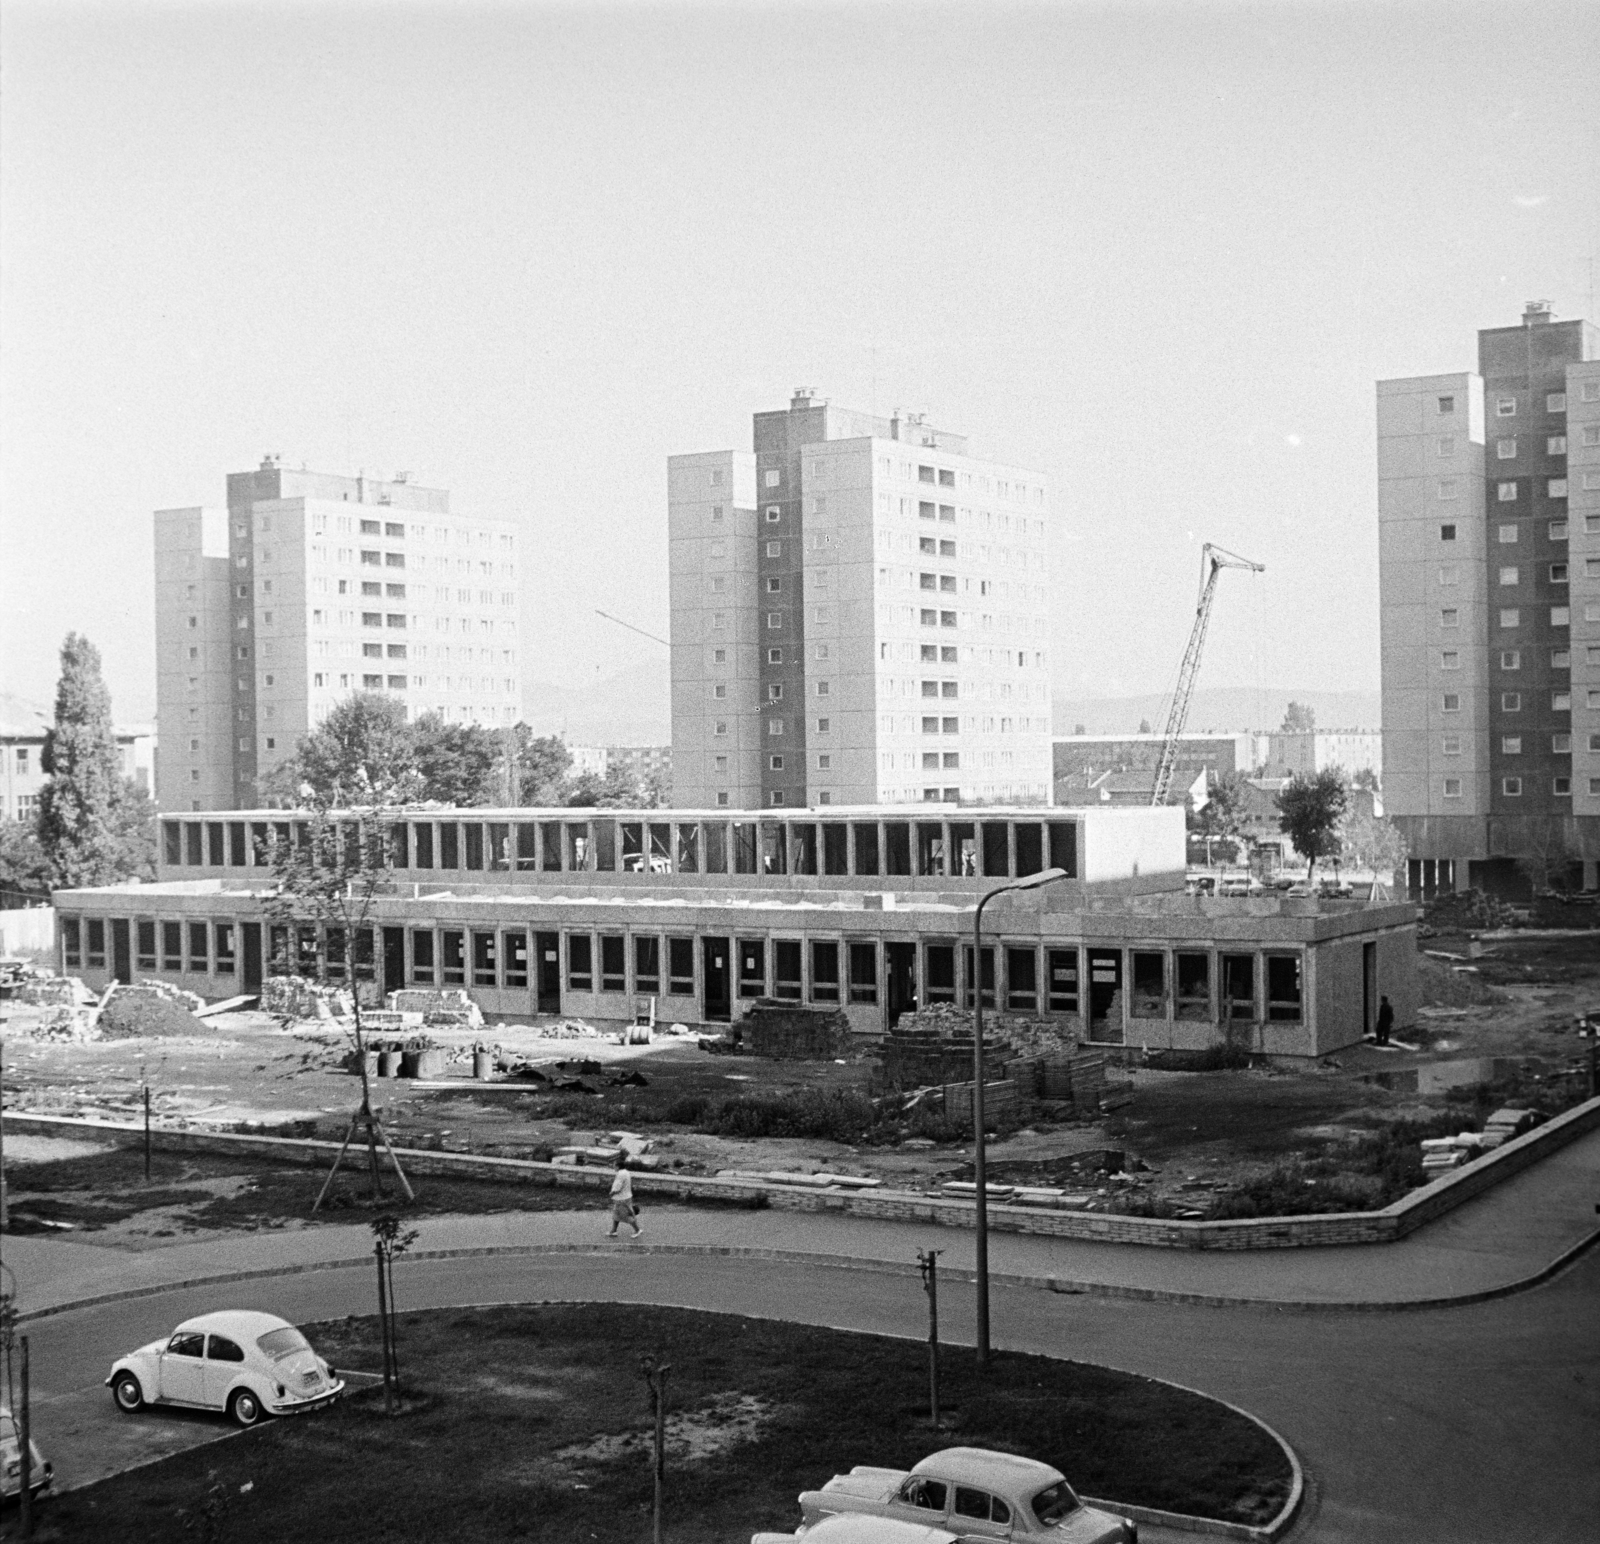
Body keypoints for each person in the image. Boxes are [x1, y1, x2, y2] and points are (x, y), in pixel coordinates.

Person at [607, 1165, 642, 1239]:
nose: (613, 1166)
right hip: (625, 1197)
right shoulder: (626, 1172)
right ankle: (613, 1231)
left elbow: (617, 1187)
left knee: (625, 1215)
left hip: (622, 1199)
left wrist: (611, 1193)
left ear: (617, 1166)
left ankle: (637, 1230)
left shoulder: (620, 1174)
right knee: (616, 1214)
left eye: (614, 1165)